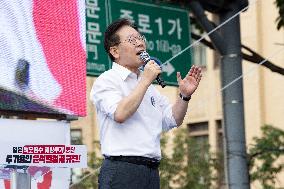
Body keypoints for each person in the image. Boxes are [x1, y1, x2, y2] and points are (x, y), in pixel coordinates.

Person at [90, 18, 202, 189]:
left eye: (140, 38)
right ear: (115, 51)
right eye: (131, 40)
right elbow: (119, 114)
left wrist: (184, 96)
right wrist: (145, 80)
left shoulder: (148, 88)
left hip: (151, 172)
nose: (139, 43)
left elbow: (172, 120)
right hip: (122, 170)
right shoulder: (106, 81)